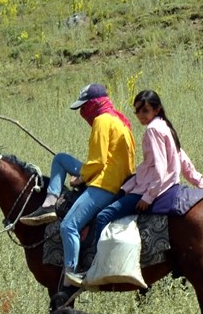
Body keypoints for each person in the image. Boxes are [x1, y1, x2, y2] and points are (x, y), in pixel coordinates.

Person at [20, 83, 136, 288]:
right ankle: (50, 202)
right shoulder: (119, 120)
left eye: (84, 107)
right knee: (60, 159)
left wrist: (81, 178)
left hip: (105, 184)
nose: (82, 112)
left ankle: (71, 274)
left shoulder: (101, 121)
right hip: (115, 178)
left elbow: (98, 162)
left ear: (93, 104)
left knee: (69, 226)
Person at [84, 90, 203, 264]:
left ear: (156, 110)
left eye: (145, 110)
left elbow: (160, 166)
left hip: (151, 187)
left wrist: (148, 197)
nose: (140, 115)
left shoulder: (152, 130)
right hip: (167, 184)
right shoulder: (165, 126)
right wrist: (199, 181)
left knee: (103, 216)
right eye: (137, 111)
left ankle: (98, 263)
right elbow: (181, 157)